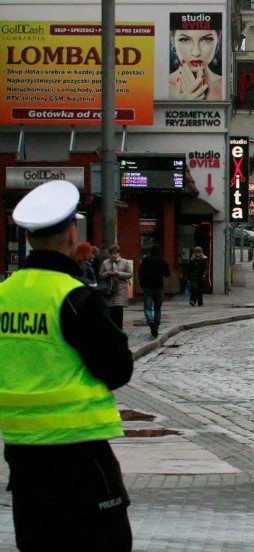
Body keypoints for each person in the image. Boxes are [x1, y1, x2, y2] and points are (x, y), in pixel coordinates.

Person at [0, 180, 133, 551]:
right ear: (73, 233)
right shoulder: (74, 297)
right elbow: (118, 369)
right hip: (79, 455)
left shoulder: (3, 296)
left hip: (22, 455)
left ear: (28, 239)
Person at [168, 28, 223, 100]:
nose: (196, 53)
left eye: (206, 39)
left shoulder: (225, 86)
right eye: (185, 40)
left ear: (218, 39)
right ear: (173, 41)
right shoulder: (159, 86)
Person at [138, 244, 171, 338]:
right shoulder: (162, 260)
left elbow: (140, 273)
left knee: (147, 308)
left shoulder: (145, 260)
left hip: (147, 287)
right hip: (158, 286)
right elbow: (167, 273)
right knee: (157, 308)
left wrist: (142, 284)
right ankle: (156, 325)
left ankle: (150, 322)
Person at [99, 244, 133, 331]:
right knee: (110, 316)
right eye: (111, 253)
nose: (113, 255)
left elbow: (130, 274)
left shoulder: (125, 262)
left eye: (115, 253)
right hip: (109, 292)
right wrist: (108, 273)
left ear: (118, 253)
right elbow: (101, 275)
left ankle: (119, 333)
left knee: (118, 315)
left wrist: (119, 273)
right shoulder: (105, 263)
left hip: (120, 292)